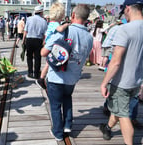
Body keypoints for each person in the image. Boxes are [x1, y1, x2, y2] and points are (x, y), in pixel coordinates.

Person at [41, 4, 93, 141]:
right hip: (73, 77)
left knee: (55, 105)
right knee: (67, 98)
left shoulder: (65, 30)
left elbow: (43, 52)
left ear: (73, 15)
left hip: (56, 76)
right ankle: (68, 125)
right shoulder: (89, 37)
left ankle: (58, 133)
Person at [100, 0, 143, 144]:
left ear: (128, 8)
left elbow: (116, 61)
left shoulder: (124, 29)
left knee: (123, 114)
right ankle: (107, 128)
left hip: (122, 82)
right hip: (137, 81)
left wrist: (104, 83)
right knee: (119, 109)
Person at [35, 2, 69, 89]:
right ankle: (42, 79)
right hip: (50, 46)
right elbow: (60, 29)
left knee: (48, 63)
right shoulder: (55, 24)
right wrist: (67, 24)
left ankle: (42, 78)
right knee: (49, 63)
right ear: (60, 15)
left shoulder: (51, 22)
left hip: (47, 43)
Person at [22, 5, 47, 79]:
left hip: (29, 39)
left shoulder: (29, 19)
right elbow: (45, 34)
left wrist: (23, 40)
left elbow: (25, 31)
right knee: (37, 58)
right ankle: (36, 74)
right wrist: (43, 42)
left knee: (29, 57)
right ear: (41, 12)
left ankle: (30, 72)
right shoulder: (44, 21)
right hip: (38, 40)